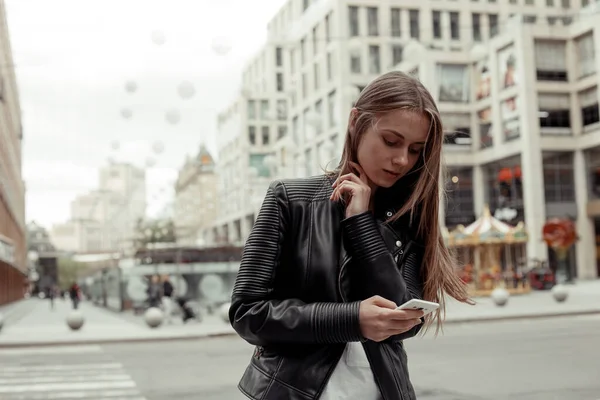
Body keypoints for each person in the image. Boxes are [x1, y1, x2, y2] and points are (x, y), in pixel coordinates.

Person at [229, 71, 473, 400]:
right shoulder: (290, 200)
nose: (402, 159)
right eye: (391, 141)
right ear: (356, 122)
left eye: (416, 149)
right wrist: (351, 320)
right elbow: (248, 313)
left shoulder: (409, 216)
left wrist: (361, 222)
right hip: (293, 392)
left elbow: (406, 318)